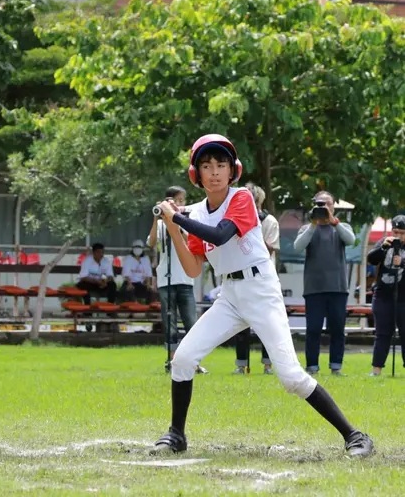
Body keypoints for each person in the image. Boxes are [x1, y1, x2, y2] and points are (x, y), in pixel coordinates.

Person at [150, 134, 373, 457]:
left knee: (291, 377)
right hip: (229, 294)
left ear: (233, 170)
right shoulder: (195, 214)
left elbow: (221, 235)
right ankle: (176, 435)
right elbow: (194, 268)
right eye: (206, 166)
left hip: (261, 290)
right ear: (196, 174)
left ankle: (355, 436)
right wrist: (174, 227)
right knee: (182, 359)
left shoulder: (240, 198)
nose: (214, 172)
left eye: (221, 165)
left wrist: (177, 216)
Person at [293, 191, 355, 376]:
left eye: (327, 203)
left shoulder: (341, 227)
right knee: (313, 329)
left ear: (333, 206)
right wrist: (314, 223)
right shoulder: (307, 228)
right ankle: (312, 366)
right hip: (314, 288)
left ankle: (336, 366)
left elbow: (350, 240)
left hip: (338, 287)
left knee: (337, 329)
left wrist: (334, 222)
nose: (324, 207)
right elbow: (298, 246)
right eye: (320, 204)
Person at [148, 186, 207, 375]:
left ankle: (194, 361)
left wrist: (177, 221)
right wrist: (157, 218)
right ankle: (172, 359)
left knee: (191, 322)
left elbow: (190, 241)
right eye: (177, 201)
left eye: (182, 201)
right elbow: (151, 242)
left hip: (185, 279)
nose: (181, 204)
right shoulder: (162, 225)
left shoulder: (187, 223)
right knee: (170, 322)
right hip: (166, 279)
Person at [232, 183, 279, 375]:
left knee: (267, 323)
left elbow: (270, 250)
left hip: (262, 278)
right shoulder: (236, 220)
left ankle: (268, 364)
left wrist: (254, 228)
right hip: (241, 275)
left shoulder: (269, 221)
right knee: (241, 323)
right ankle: (241, 364)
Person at [366, 215, 405, 376]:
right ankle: (377, 369)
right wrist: (383, 247)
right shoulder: (384, 243)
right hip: (383, 295)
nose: (399, 236)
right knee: (382, 333)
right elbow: (371, 259)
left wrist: (402, 263)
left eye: (402, 233)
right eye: (396, 232)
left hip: (403, 297)